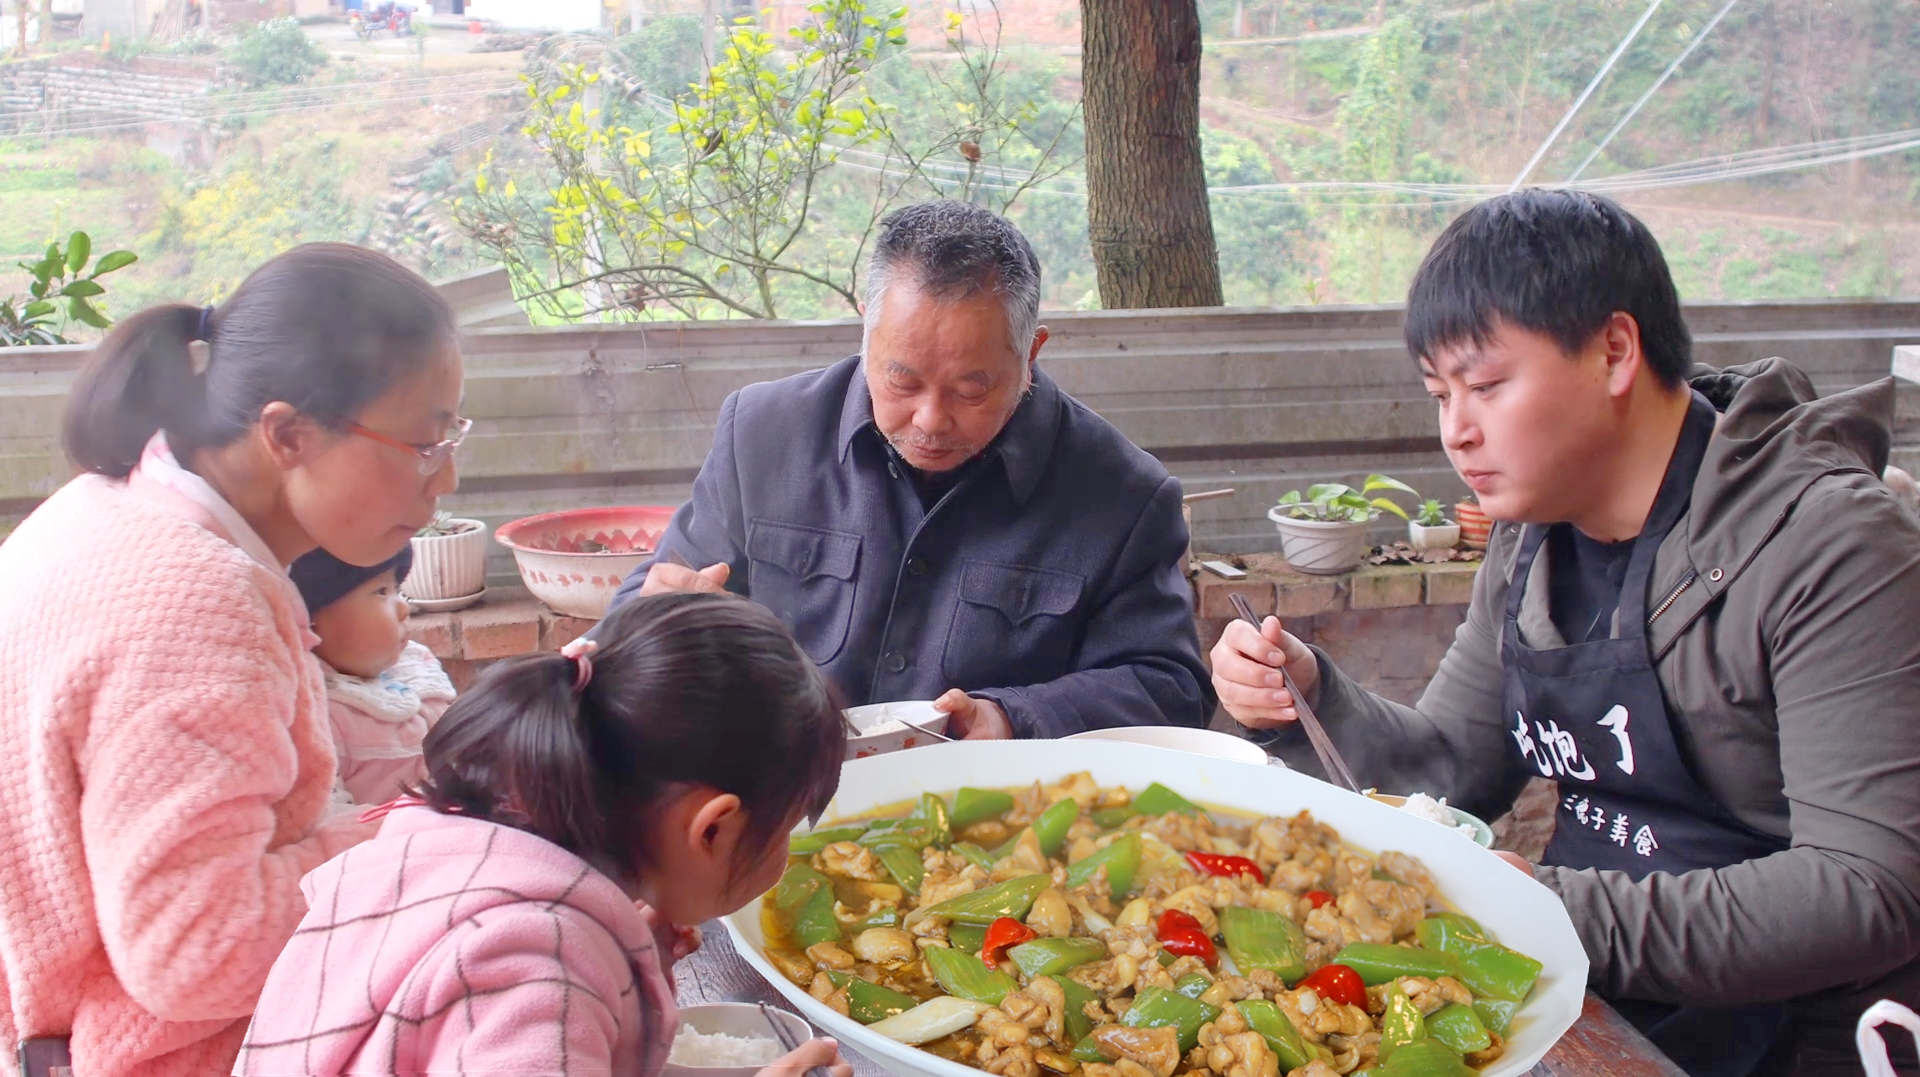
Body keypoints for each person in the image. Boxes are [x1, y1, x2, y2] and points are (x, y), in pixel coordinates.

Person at [1210, 190, 1920, 1077]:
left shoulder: (1826, 543)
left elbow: (1867, 891)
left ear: (1614, 351)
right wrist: (1309, 696)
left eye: (1488, 385)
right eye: (1440, 394)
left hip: (1796, 1030)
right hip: (1588, 991)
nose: (1456, 432)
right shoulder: (1532, 536)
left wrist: (1535, 906)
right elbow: (1449, 769)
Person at [0, 244, 466, 1076]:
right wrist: (427, 832)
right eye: (425, 442)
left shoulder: (103, 508)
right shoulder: (199, 602)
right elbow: (200, 949)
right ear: (287, 433)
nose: (448, 478)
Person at [611, 200, 1212, 739]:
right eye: (902, 380)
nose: (930, 420)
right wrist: (658, 613)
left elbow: (1171, 690)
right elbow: (647, 600)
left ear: (1030, 353)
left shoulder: (1124, 494)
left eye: (971, 390)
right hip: (779, 809)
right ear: (866, 325)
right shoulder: (762, 433)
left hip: (995, 823)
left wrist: (1012, 718)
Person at [236, 592, 855, 1076]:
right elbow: (522, 998)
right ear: (713, 828)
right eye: (785, 831)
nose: (783, 857)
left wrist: (616, 970)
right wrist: (576, 968)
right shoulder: (537, 965)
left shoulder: (436, 851)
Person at [289, 545, 456, 806]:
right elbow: (328, 819)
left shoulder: (410, 662)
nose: (404, 608)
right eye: (382, 592)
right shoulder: (316, 718)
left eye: (397, 590)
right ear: (309, 621)